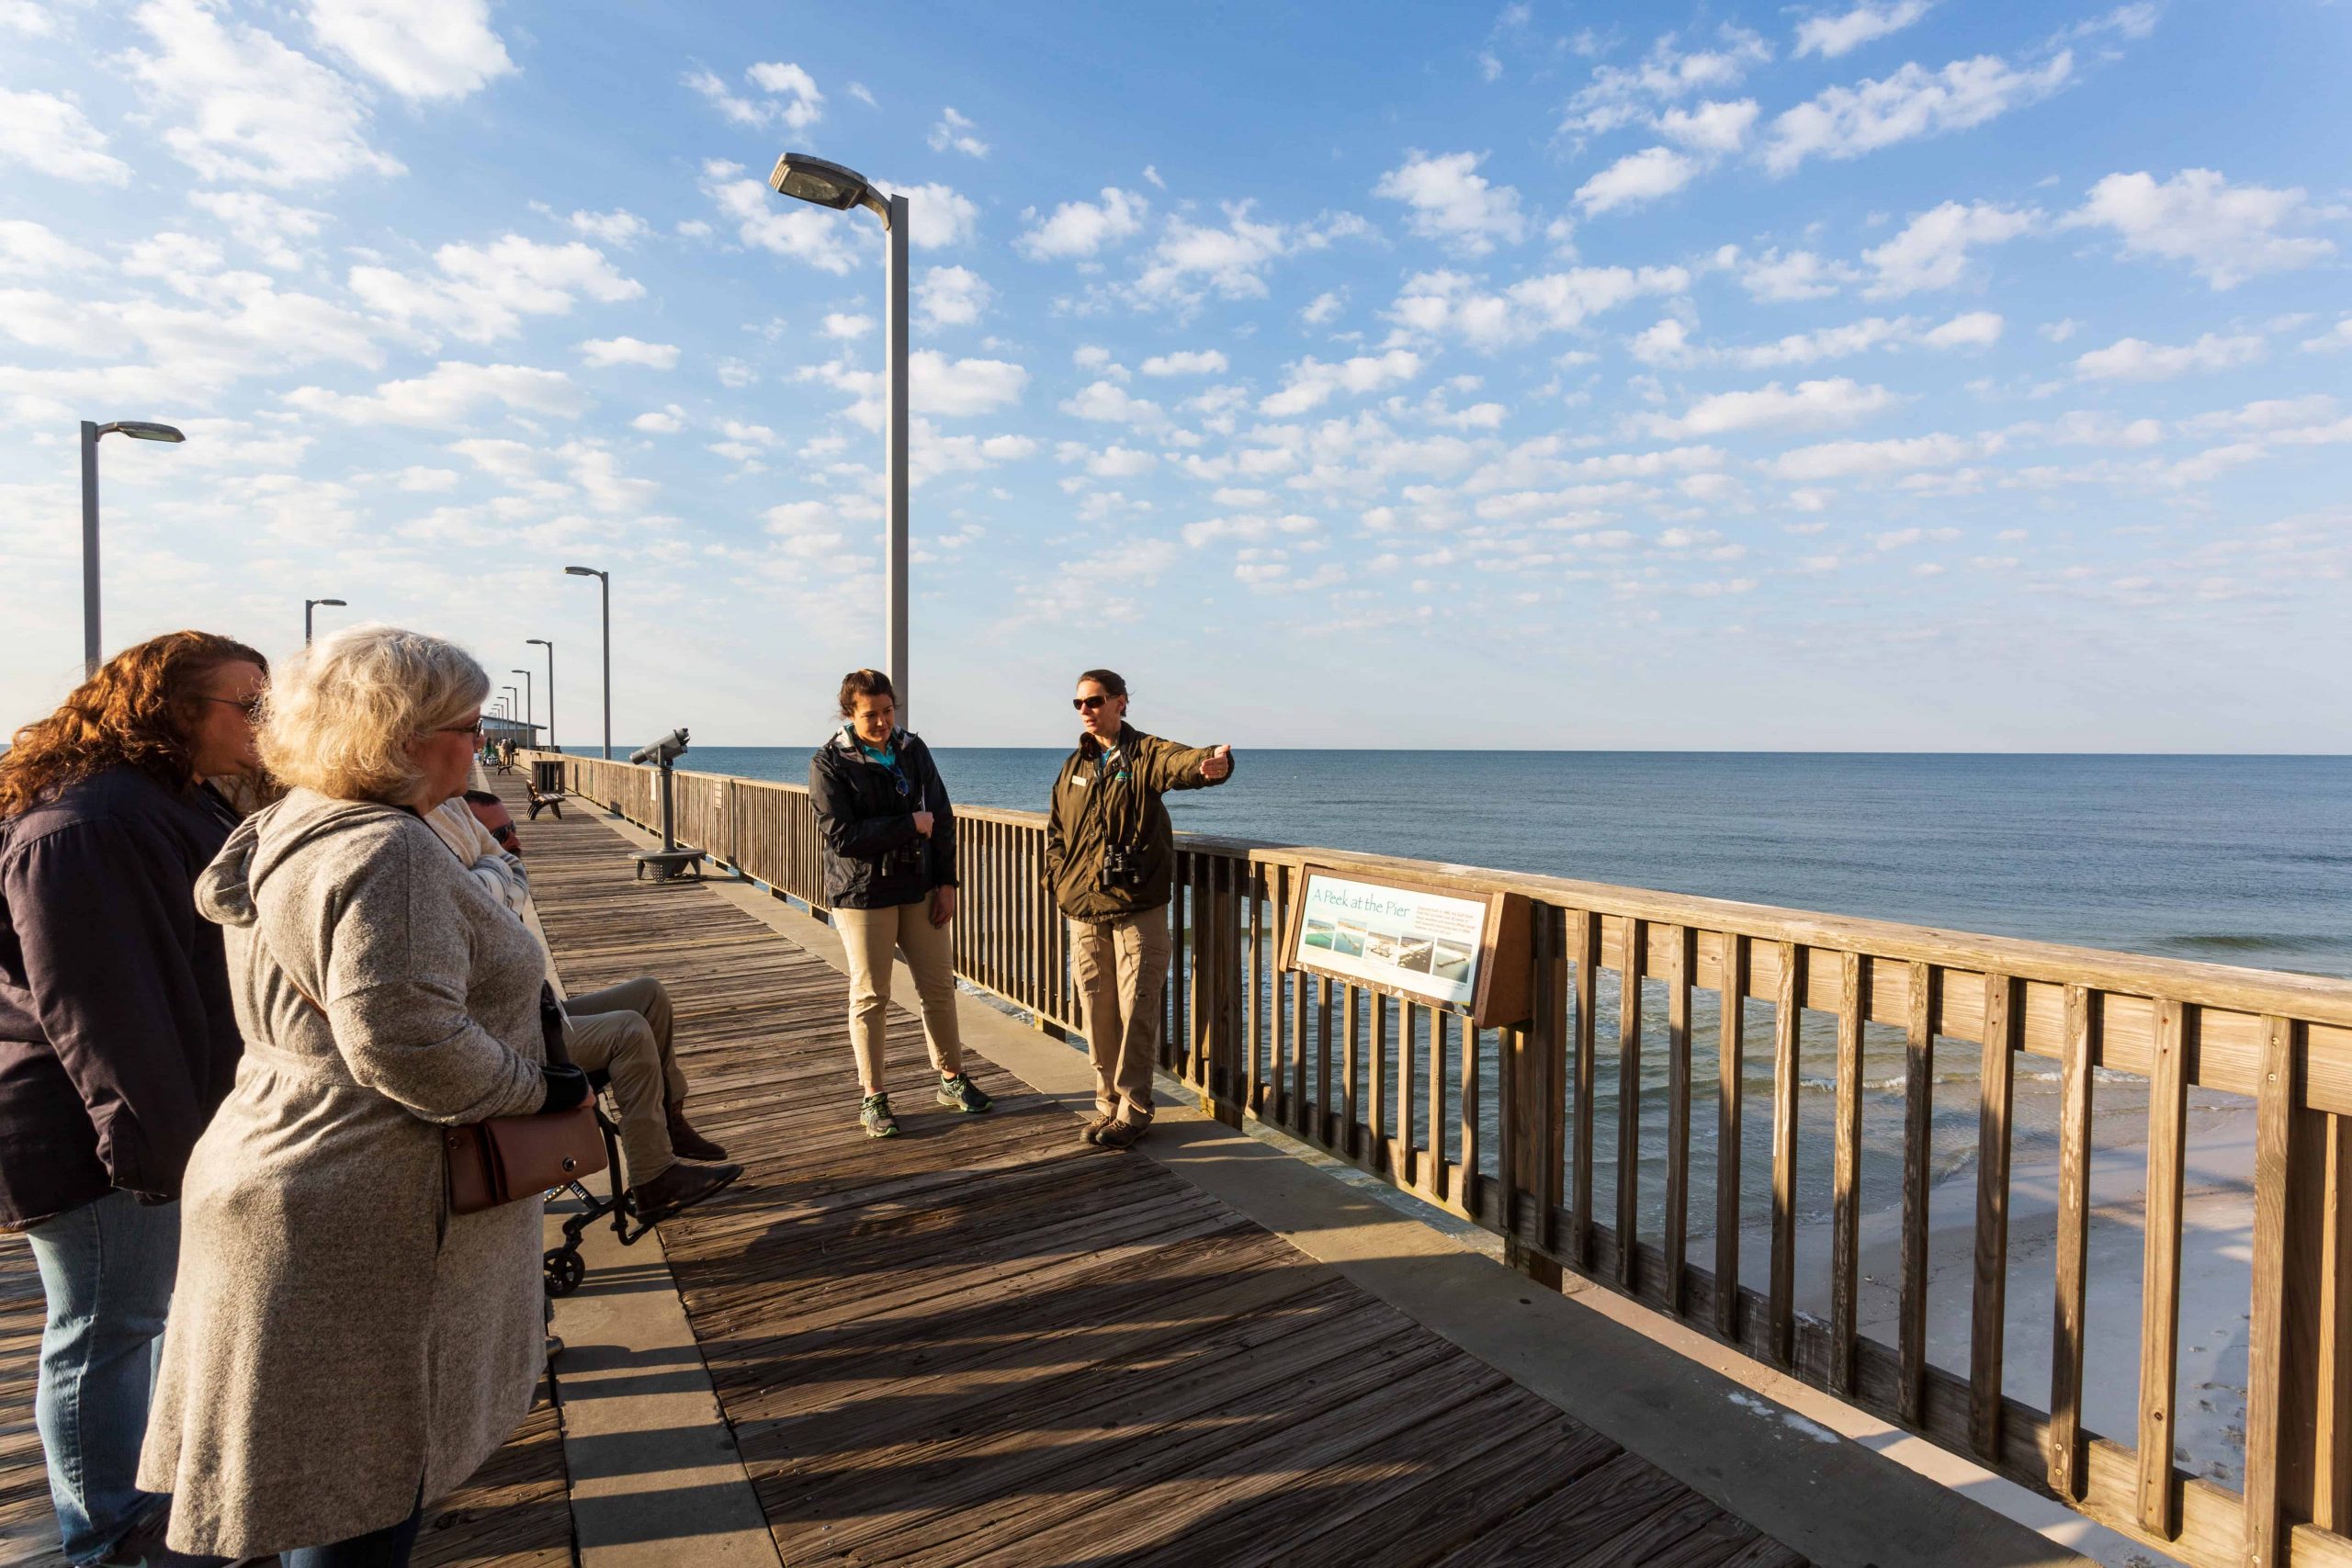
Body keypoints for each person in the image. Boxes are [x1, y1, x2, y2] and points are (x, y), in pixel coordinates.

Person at [138, 626, 591, 1567]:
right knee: (363, 1486)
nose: (481, 745)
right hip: (362, 1203)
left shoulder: (293, 819)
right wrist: (535, 1087)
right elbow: (408, 1042)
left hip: (284, 1162)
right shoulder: (390, 851)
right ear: (399, 734)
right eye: (466, 726)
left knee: (321, 1485)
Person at [0, 631, 266, 1568]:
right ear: (173, 709)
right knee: (103, 1328)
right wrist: (159, 1152)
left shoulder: (167, 801)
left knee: (138, 1320)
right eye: (247, 705)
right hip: (97, 1130)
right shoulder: (86, 825)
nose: (264, 724)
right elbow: (96, 1008)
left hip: (164, 1114)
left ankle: (145, 1508)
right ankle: (108, 1536)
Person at [440, 788, 738, 1212]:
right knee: (628, 1032)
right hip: (509, 1039)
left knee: (648, 994)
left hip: (539, 1013)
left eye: (512, 828)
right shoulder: (466, 894)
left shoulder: (495, 884)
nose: (512, 840)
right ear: (466, 840)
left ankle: (670, 1121)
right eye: (499, 833)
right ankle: (654, 1176)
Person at [1045, 670, 1233, 1150]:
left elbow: (1179, 762)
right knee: (1096, 1009)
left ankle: (1134, 1110)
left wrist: (1210, 764)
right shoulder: (1074, 767)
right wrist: (1058, 880)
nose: (1086, 710)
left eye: (1095, 701)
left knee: (1137, 1010)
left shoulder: (1143, 753)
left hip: (1136, 908)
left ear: (1121, 703)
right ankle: (1105, 1102)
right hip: (1084, 911)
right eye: (1079, 703)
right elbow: (1056, 834)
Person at [808, 669, 992, 1138]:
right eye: (871, 715)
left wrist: (948, 881)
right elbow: (842, 835)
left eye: (888, 711)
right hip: (863, 893)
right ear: (850, 713)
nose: (883, 722)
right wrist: (910, 825)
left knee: (938, 986)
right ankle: (873, 1096)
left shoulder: (913, 749)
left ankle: (951, 1078)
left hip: (920, 886)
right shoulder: (829, 761)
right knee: (871, 995)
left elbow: (943, 816)